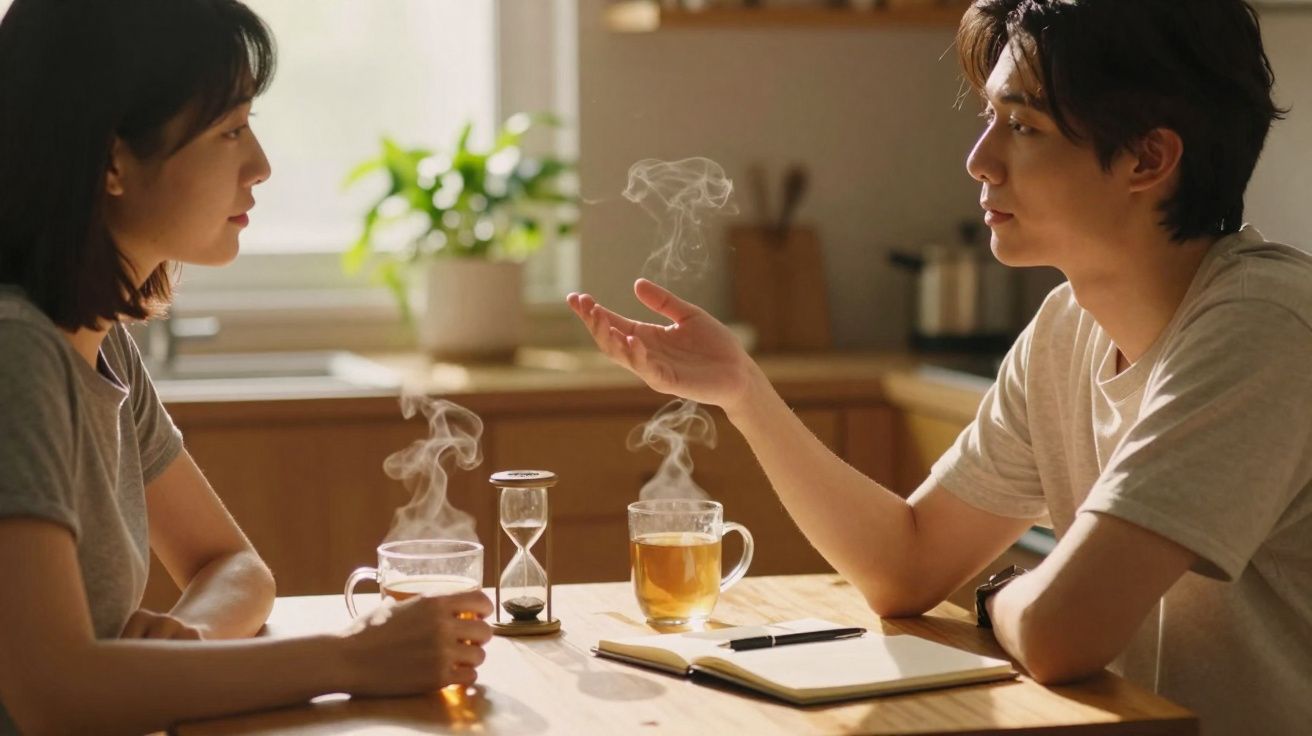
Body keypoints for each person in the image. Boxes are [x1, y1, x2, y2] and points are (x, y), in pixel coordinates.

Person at [568, 0, 1311, 733]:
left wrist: (996, 600)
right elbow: (908, 565)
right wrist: (744, 392)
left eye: (1022, 126)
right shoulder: (1066, 330)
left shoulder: (1261, 325)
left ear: (1148, 159)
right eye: (990, 120)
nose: (979, 158)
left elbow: (1061, 635)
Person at [0, 1, 493, 733]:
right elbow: (54, 691)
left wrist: (188, 643)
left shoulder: (102, 348)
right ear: (110, 160)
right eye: (230, 129)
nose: (260, 165)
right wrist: (351, 659)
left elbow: (232, 564)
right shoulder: (18, 355)